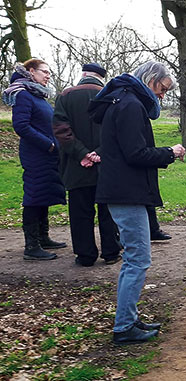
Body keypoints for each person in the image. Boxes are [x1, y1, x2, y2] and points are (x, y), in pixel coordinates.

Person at [89, 60, 186, 345]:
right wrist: (169, 152)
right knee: (138, 260)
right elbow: (136, 154)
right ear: (150, 79)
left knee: (134, 259)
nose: (162, 96)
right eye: (162, 89)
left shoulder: (122, 100)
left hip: (122, 191)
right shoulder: (130, 105)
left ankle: (128, 318)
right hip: (126, 193)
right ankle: (123, 326)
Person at [52, 62, 122, 266]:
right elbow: (117, 129)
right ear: (101, 77)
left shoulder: (65, 96)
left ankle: (85, 255)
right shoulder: (111, 96)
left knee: (80, 212)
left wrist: (82, 154)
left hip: (76, 165)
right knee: (108, 211)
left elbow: (60, 129)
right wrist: (98, 153)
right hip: (106, 163)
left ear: (82, 74)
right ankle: (111, 252)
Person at [2, 59, 66, 260]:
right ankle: (31, 246)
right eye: (44, 72)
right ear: (31, 71)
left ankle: (43, 237)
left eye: (49, 72)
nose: (48, 76)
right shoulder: (22, 94)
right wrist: (49, 144)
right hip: (37, 154)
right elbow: (21, 126)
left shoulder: (36, 94)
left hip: (47, 155)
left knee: (43, 194)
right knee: (34, 195)